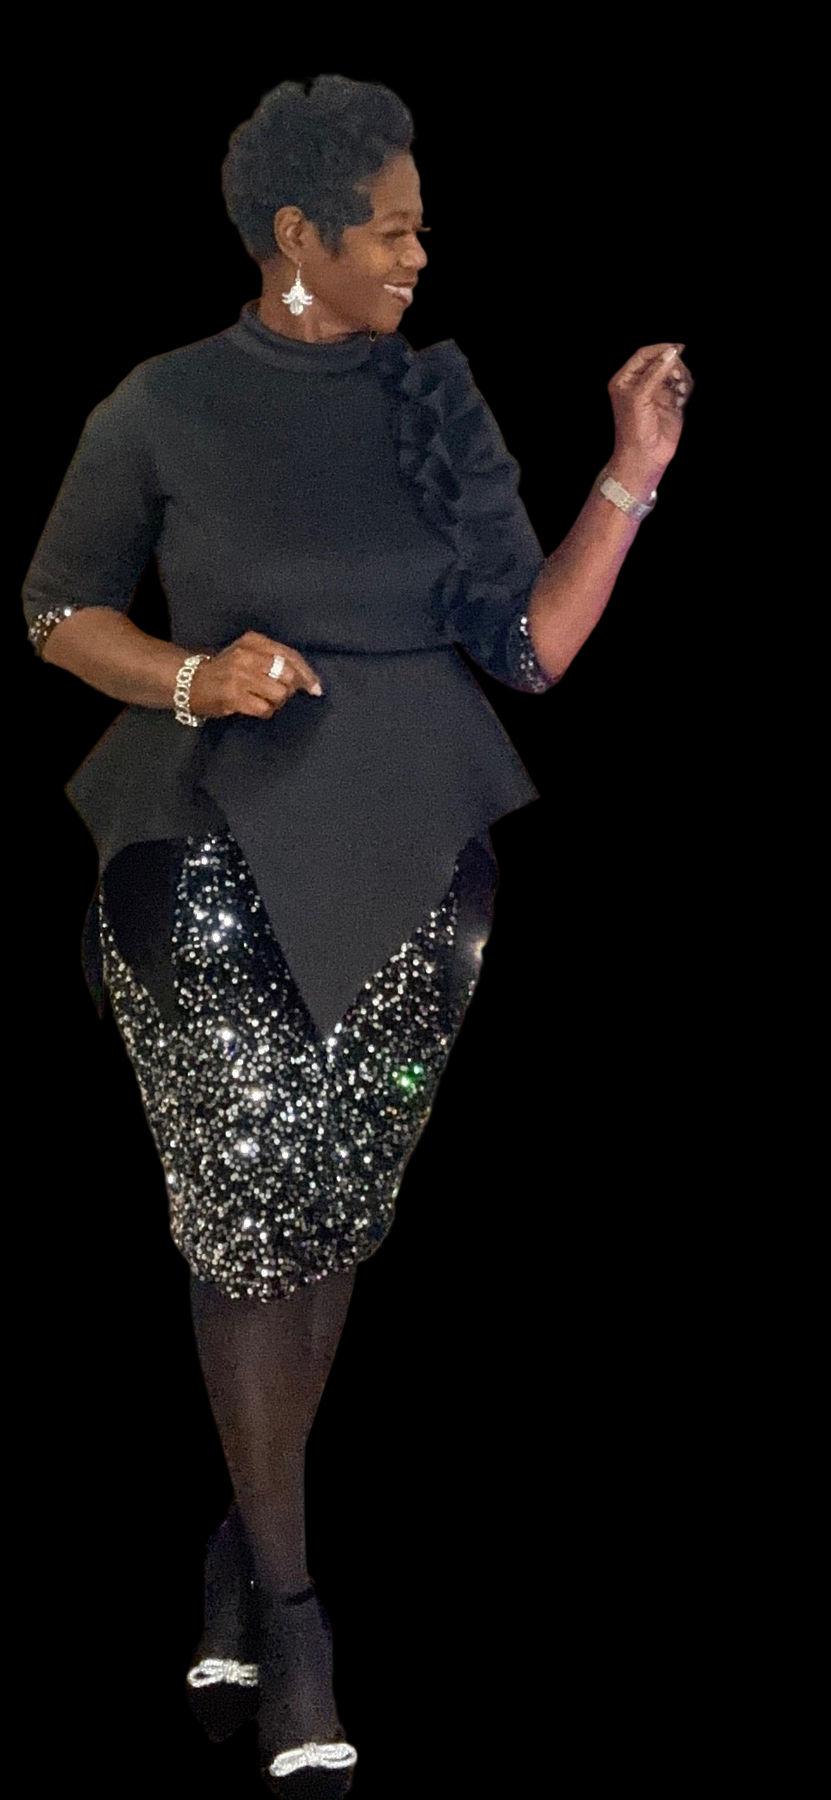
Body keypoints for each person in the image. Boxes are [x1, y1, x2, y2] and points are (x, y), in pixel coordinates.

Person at [21, 73, 692, 1798]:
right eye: (389, 226)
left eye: (417, 225)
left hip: (412, 862)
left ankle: (242, 1549)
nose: (416, 251)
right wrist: (194, 673)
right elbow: (56, 608)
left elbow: (528, 651)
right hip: (205, 859)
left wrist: (627, 477)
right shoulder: (164, 403)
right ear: (295, 235)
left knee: (322, 1227)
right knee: (246, 1216)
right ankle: (301, 1618)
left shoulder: (432, 404)